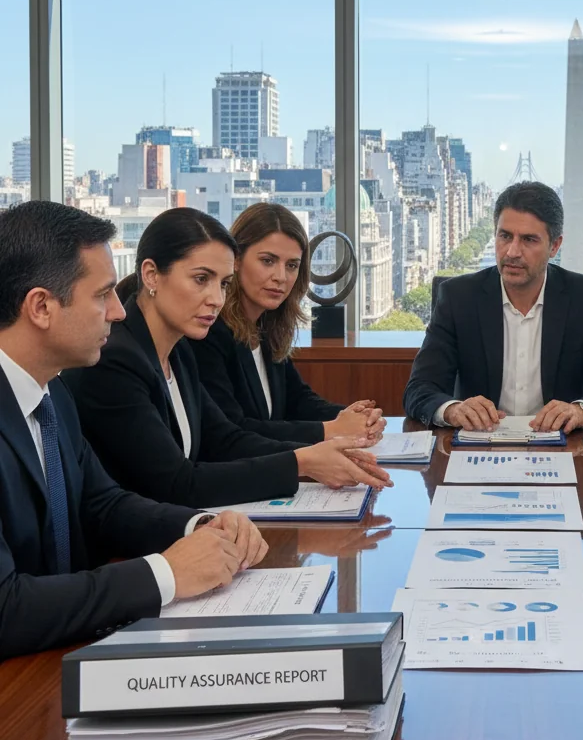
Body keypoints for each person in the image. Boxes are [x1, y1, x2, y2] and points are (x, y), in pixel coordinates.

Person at [0, 201, 268, 659]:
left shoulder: (52, 396)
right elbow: (6, 610)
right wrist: (166, 574)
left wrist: (200, 527)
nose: (118, 312)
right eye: (103, 295)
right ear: (41, 307)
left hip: (59, 656)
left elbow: (102, 504)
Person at [63, 207, 392, 509]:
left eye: (223, 284)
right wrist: (304, 460)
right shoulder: (117, 361)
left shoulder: (177, 349)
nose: (216, 299)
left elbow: (225, 440)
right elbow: (176, 483)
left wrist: (316, 450)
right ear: (151, 275)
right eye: (201, 280)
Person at [402, 182, 583, 433]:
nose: (512, 252)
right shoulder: (458, 297)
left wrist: (580, 410)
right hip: (480, 448)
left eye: (529, 240)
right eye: (505, 236)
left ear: (554, 246)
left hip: (562, 448)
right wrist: (453, 410)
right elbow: (419, 389)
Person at [189, 203, 385, 445]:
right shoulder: (208, 331)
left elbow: (297, 400)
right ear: (235, 260)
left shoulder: (269, 325)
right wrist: (330, 429)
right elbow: (233, 429)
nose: (281, 277)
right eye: (268, 261)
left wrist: (355, 418)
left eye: (291, 265)